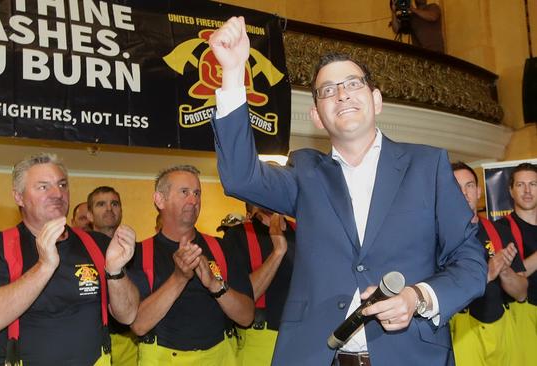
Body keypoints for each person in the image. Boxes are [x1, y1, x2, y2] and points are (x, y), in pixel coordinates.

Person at [209, 16, 487, 366]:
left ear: (376, 99)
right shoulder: (305, 173)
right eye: (327, 90)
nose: (341, 94)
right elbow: (240, 178)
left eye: (352, 84)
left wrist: (418, 296)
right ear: (316, 116)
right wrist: (233, 73)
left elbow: (471, 261)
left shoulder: (428, 167)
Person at [0, 153, 139, 366]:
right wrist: (44, 266)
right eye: (43, 187)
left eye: (62, 185)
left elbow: (128, 315)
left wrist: (115, 271)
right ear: (18, 197)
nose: (58, 193)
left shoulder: (97, 244)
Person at [128, 165, 254, 366]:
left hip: (221, 357)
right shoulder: (139, 253)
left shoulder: (224, 248)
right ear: (160, 200)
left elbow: (247, 317)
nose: (193, 200)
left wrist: (215, 284)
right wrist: (179, 278)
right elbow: (139, 325)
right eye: (184, 192)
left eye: (197, 193)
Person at [449, 162, 527, 366]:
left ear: (479, 191)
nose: (464, 193)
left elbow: (521, 293)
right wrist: (488, 272)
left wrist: (505, 271)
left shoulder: (499, 231)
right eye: (456, 187)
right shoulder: (436, 240)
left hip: (503, 327)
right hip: (463, 333)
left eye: (469, 186)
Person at [223, 205, 295, 365]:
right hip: (258, 343)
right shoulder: (237, 236)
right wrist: (278, 252)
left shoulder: (302, 233)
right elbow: (243, 299)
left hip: (302, 341)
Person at [87, 185, 138, 366]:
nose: (109, 208)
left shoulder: (135, 250)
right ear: (90, 215)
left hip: (130, 339)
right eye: (101, 204)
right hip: (91, 342)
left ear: (121, 211)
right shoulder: (79, 251)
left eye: (114, 204)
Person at [495, 162, 537, 365]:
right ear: (511, 190)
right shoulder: (501, 229)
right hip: (523, 314)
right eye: (521, 185)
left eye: (533, 184)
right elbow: (509, 275)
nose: (528, 191)